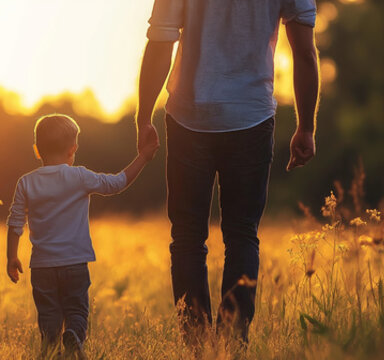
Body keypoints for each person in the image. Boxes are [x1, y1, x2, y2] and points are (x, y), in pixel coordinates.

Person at [135, 0, 321, 344]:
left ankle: (197, 346)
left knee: (188, 237)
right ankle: (232, 344)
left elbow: (161, 40)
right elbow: (305, 53)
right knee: (242, 235)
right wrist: (306, 126)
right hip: (252, 116)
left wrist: (144, 116)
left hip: (188, 116)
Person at [5, 114, 158, 358]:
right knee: (77, 311)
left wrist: (11, 257)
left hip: (42, 267)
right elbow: (117, 183)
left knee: (49, 315)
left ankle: (52, 349)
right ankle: (74, 335)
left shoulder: (26, 183)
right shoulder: (79, 177)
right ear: (72, 149)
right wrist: (143, 157)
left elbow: (14, 222)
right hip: (75, 263)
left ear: (36, 150)